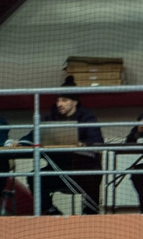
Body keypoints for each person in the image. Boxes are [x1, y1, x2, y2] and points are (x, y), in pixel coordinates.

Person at [39, 84, 106, 215]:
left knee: (92, 176)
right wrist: (21, 142)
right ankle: (51, 212)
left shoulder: (88, 118)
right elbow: (34, 134)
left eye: (64, 100)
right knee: (35, 177)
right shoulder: (50, 118)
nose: (59, 104)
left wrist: (84, 144)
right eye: (58, 100)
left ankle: (90, 213)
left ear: (74, 102)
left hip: (83, 168)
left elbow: (97, 141)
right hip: (59, 168)